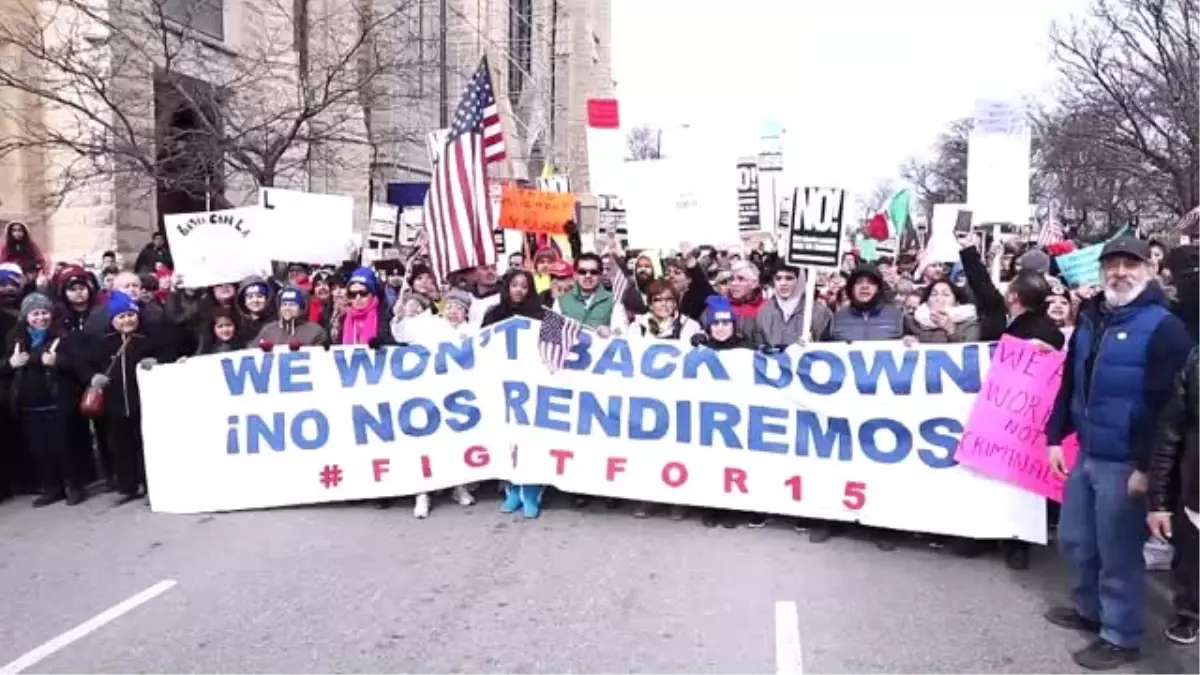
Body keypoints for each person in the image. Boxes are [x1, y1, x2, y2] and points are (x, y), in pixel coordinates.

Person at [1044, 237, 1194, 670]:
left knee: (1118, 552)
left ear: (1147, 270)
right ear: (1101, 271)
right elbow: (1070, 381)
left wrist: (1148, 469)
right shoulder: (1091, 317)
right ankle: (1089, 611)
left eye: (1131, 264)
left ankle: (1121, 634)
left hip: (1126, 462)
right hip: (1087, 453)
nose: (1121, 272)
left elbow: (1170, 407)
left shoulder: (1166, 327)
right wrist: (1055, 436)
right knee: (1075, 540)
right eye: (1113, 264)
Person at [81, 291, 170, 505]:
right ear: (113, 320)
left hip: (143, 403)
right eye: (121, 317)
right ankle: (127, 486)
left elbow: (168, 354)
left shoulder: (148, 338)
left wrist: (157, 361)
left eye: (131, 315)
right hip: (115, 404)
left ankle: (152, 485)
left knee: (145, 445)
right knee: (120, 446)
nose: (127, 320)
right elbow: (85, 364)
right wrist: (93, 377)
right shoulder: (103, 342)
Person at [0, 293, 86, 506]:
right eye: (35, 314)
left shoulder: (63, 335)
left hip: (58, 400)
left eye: (44, 312)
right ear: (26, 316)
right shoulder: (15, 337)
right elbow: (5, 366)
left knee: (64, 446)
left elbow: (79, 364)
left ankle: (73, 486)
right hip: (29, 404)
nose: (40, 318)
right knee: (40, 449)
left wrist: (58, 361)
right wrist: (10, 363)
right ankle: (51, 487)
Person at [482, 269, 546, 518]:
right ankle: (512, 489)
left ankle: (531, 490)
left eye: (524, 286)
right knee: (507, 439)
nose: (519, 290)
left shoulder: (540, 315)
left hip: (532, 385)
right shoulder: (494, 314)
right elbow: (481, 346)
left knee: (530, 439)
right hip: (502, 385)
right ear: (507, 287)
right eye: (514, 285)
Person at [1148, 344, 1200, 646]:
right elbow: (1170, 434)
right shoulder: (1195, 360)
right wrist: (1160, 502)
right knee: (1191, 559)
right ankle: (1190, 612)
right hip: (1197, 492)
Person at [903, 280, 980, 343]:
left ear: (957, 302)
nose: (938, 298)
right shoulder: (912, 321)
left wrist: (951, 330)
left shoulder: (969, 325)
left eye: (946, 295)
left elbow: (970, 354)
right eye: (934, 294)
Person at [255, 286, 328, 348]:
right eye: (284, 304)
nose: (287, 308)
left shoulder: (316, 331)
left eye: (292, 304)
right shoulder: (268, 330)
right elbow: (250, 350)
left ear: (302, 309)